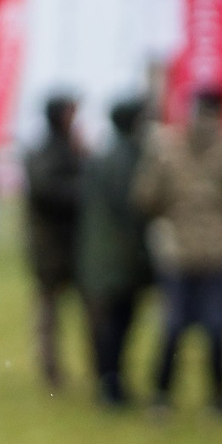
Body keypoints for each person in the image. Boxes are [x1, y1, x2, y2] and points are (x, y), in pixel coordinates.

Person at [133, 91, 222, 414]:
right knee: (218, 329)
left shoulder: (167, 148)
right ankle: (219, 401)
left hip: (177, 250)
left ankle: (161, 397)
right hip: (221, 250)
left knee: (173, 327)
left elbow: (146, 197)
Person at [79, 98, 154, 407]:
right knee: (117, 326)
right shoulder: (128, 158)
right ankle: (111, 386)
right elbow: (133, 208)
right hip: (120, 259)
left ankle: (108, 383)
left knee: (107, 326)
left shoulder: (103, 156)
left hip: (100, 257)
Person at [22, 94, 86, 391]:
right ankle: (51, 370)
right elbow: (48, 191)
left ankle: (84, 368)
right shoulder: (46, 150)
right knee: (49, 314)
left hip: (69, 244)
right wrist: (81, 190)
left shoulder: (66, 146)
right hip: (51, 247)